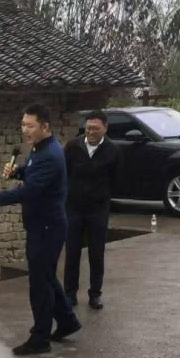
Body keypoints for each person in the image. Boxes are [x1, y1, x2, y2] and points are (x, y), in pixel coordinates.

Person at [0, 103, 80, 356]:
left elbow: (31, 191)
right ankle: (67, 321)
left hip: (47, 227)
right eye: (23, 125)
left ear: (45, 126)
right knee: (46, 276)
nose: (25, 130)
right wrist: (18, 171)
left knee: (40, 284)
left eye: (30, 126)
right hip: (42, 225)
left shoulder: (50, 154)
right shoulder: (39, 149)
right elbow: (33, 175)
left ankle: (40, 338)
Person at [63, 110, 123, 309]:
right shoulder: (73, 147)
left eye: (95, 129)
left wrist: (103, 196)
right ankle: (69, 293)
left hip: (98, 209)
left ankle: (95, 293)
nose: (91, 132)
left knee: (96, 253)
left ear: (105, 128)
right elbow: (65, 173)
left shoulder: (113, 151)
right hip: (74, 208)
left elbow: (117, 179)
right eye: (88, 128)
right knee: (72, 252)